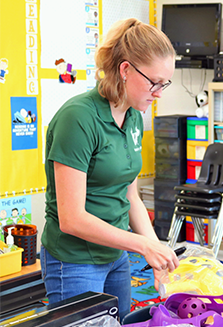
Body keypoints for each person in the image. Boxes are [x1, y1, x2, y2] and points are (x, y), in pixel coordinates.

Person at [41, 18, 178, 320]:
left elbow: (130, 196)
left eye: (164, 83)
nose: (158, 92)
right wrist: (142, 245)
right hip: (74, 259)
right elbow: (71, 218)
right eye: (154, 82)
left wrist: (154, 250)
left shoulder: (133, 117)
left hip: (116, 255)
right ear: (126, 70)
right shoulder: (77, 118)